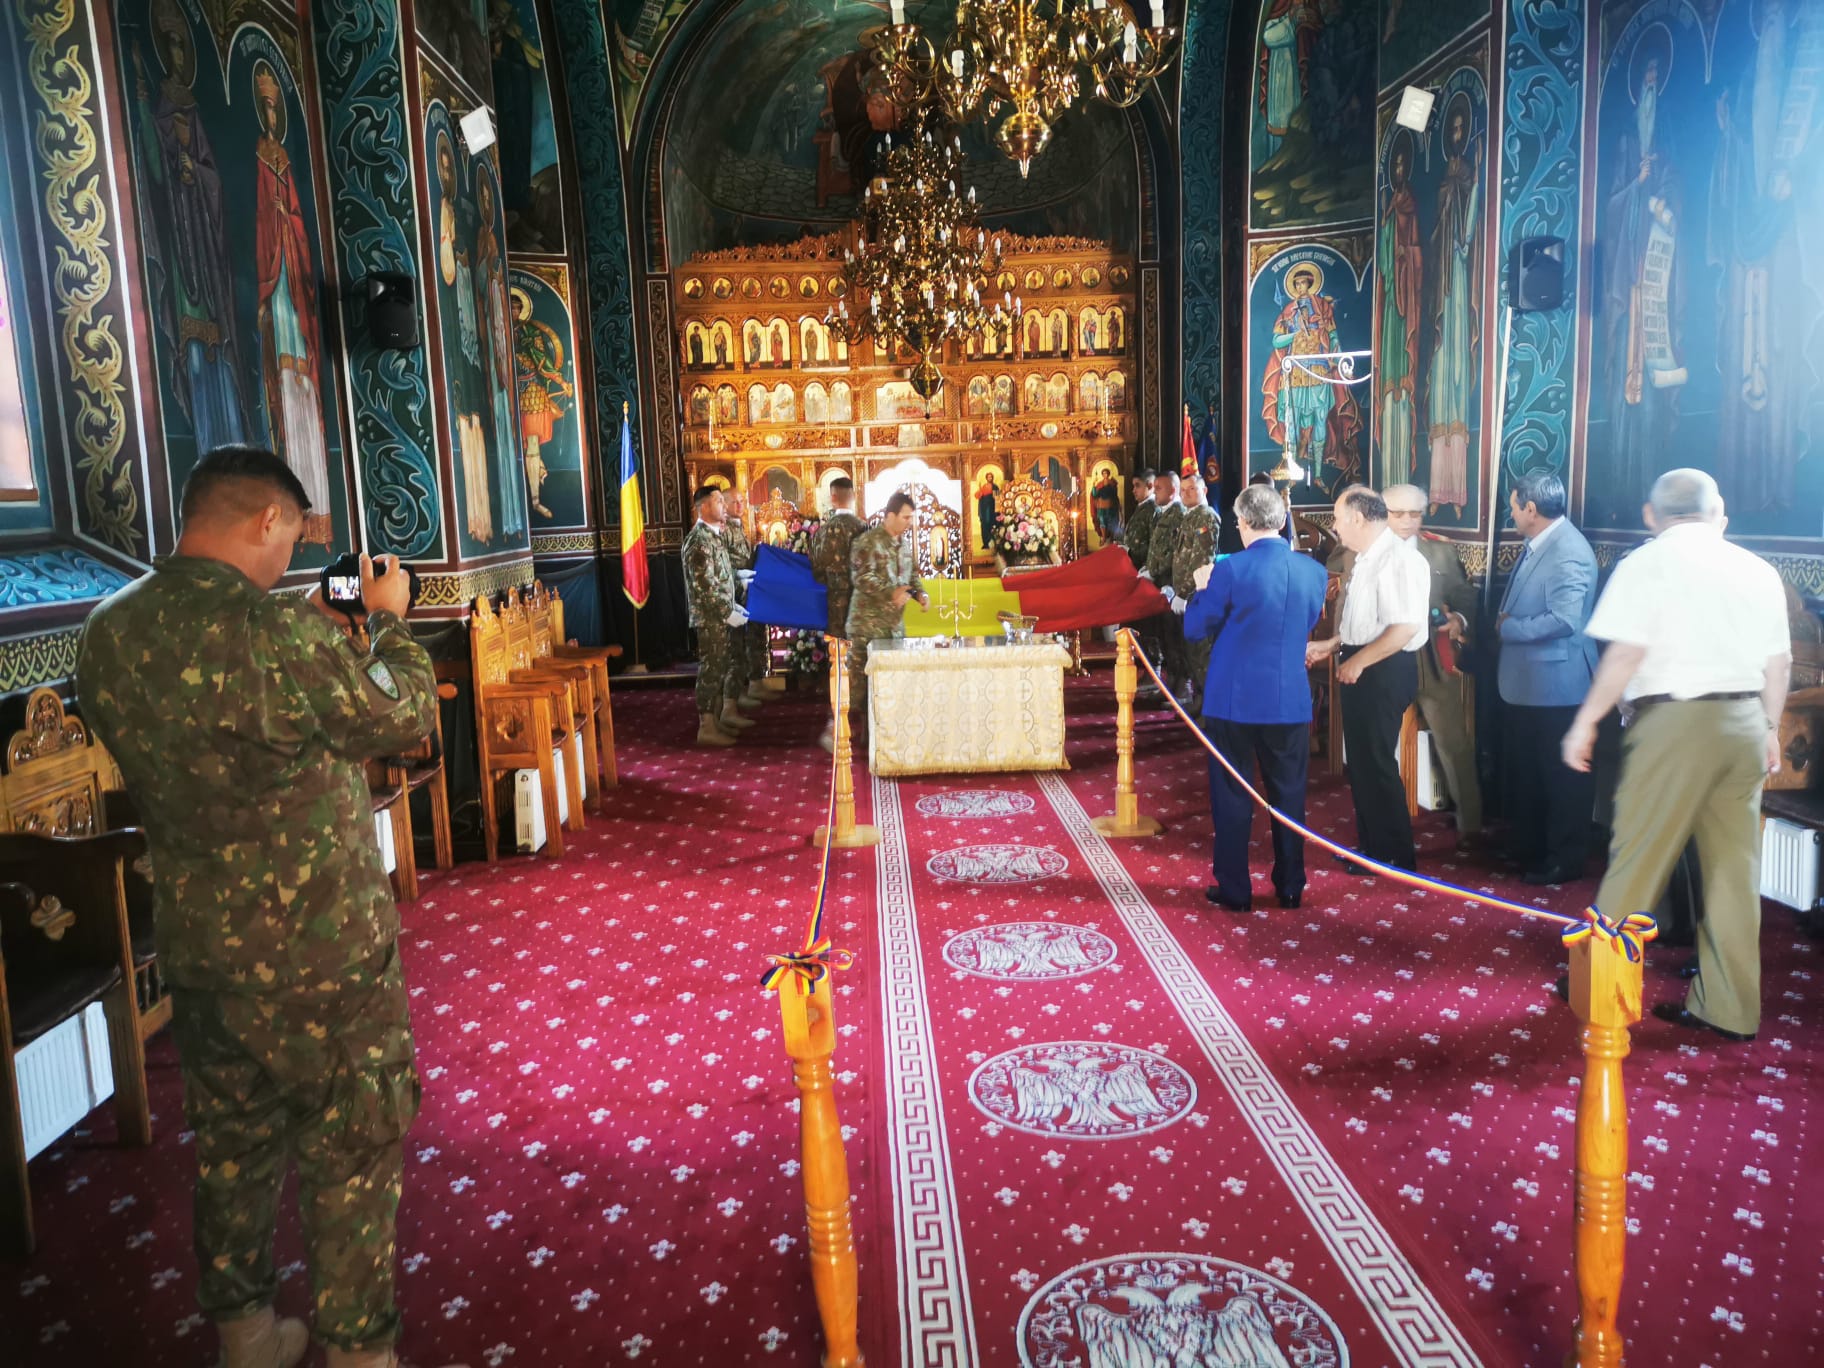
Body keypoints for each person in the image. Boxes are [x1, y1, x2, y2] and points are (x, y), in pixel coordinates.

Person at [74, 447, 458, 1368]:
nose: (292, 557)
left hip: (202, 949)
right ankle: (358, 1349)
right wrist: (387, 623)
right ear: (267, 520)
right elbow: (404, 718)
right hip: (322, 952)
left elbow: (226, 714)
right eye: (291, 537)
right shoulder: (276, 638)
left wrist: (312, 631)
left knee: (233, 1144)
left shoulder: (108, 631)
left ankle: (245, 1335)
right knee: (351, 1144)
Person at [1562, 470, 1790, 1043]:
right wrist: (1769, 727)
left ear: (1651, 515)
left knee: (1636, 858)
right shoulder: (1757, 569)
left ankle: (1595, 988)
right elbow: (1779, 663)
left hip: (1675, 723)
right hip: (1745, 721)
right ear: (1718, 512)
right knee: (1735, 874)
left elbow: (1624, 655)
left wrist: (1585, 721)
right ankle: (1729, 1009)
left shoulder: (1646, 563)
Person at [1186, 484, 1329, 910]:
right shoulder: (1314, 572)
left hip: (1234, 699)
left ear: (1244, 522)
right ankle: (1291, 885)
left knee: (1232, 793)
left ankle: (1235, 889)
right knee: (1290, 794)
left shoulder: (1230, 569)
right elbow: (1306, 622)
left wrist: (1200, 588)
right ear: (1282, 521)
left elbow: (1195, 628)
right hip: (1289, 698)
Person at [1307, 486, 1429, 871]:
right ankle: (1373, 848)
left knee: (1376, 762)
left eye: (1338, 519)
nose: (1335, 527)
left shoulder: (1398, 560)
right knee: (1360, 763)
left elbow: (1404, 628)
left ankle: (1394, 855)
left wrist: (1358, 662)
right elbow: (1366, 624)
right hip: (1367, 664)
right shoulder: (1367, 557)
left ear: (1358, 519)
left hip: (1384, 670)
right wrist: (1332, 645)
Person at [1497, 470, 1599, 884]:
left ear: (1531, 509)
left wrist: (1509, 629)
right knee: (1533, 773)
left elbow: (1564, 619)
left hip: (1559, 684)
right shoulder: (1540, 542)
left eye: (1513, 507)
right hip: (1531, 685)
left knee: (1561, 780)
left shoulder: (1568, 550)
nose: (1510, 513)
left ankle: (1564, 860)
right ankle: (1534, 850)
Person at [1382, 483, 1483, 843]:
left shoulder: (1440, 552)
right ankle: (1383, 828)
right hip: (1383, 658)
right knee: (1378, 747)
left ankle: (1471, 825)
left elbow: (1465, 598)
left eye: (1415, 514)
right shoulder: (1365, 550)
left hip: (1432, 659)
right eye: (1398, 514)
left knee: (1454, 742)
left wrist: (1460, 621)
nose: (1407, 521)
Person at [846, 491, 929, 716]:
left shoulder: (904, 545)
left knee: (890, 689)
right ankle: (853, 731)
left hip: (893, 628)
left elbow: (912, 577)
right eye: (905, 517)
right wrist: (891, 592)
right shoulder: (868, 541)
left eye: (911, 517)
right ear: (890, 516)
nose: (909, 522)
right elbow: (861, 577)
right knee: (861, 691)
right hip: (867, 627)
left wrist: (920, 594)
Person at [681, 486, 747, 746]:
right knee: (711, 668)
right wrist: (726, 611)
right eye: (719, 501)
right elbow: (705, 587)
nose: (724, 505)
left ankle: (716, 720)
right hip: (709, 618)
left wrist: (735, 597)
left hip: (719, 615)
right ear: (704, 507)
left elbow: (722, 576)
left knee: (720, 666)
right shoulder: (698, 541)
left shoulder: (714, 536)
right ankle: (706, 727)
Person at [1170, 472, 1221, 703]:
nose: (1186, 494)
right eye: (1183, 490)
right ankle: (1201, 701)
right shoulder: (1189, 516)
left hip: (1197, 594)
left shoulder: (1206, 517)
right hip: (1184, 594)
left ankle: (1211, 705)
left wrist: (1183, 592)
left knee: (1202, 653)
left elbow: (1201, 560)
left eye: (1192, 489)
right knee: (1190, 651)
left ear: (1204, 491)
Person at [1140, 468, 1187, 699]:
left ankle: (1181, 688)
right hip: (1160, 584)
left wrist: (1155, 570)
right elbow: (1157, 547)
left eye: (1159, 488)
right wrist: (1148, 568)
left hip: (1172, 584)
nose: (1154, 491)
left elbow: (1175, 552)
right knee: (1165, 638)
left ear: (1172, 491)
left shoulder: (1178, 514)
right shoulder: (1163, 513)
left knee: (1175, 638)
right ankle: (1169, 686)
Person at [721, 491, 768, 710]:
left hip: (747, 594)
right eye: (735, 502)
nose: (740, 505)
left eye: (742, 501)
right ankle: (731, 701)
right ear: (724, 504)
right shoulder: (724, 530)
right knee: (735, 648)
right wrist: (740, 577)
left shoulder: (739, 526)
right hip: (733, 595)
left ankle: (753, 685)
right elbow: (723, 565)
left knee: (751, 640)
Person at [1121, 468, 1158, 571]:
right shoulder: (1142, 506)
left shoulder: (1153, 508)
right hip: (1132, 564)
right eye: (1133, 486)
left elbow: (1155, 543)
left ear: (1150, 486)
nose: (1133, 490)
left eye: (1137, 486)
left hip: (1142, 567)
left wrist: (1130, 552)